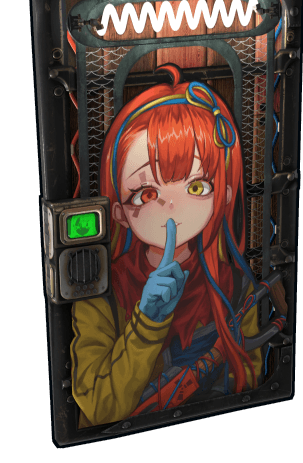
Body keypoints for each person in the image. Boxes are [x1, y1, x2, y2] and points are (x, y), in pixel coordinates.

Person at [71, 64, 266, 427]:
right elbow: (98, 410)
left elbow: (250, 385)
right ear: (118, 211)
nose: (171, 207)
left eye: (196, 187)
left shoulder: (236, 287)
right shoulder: (102, 292)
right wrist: (147, 323)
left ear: (223, 195)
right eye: (146, 193)